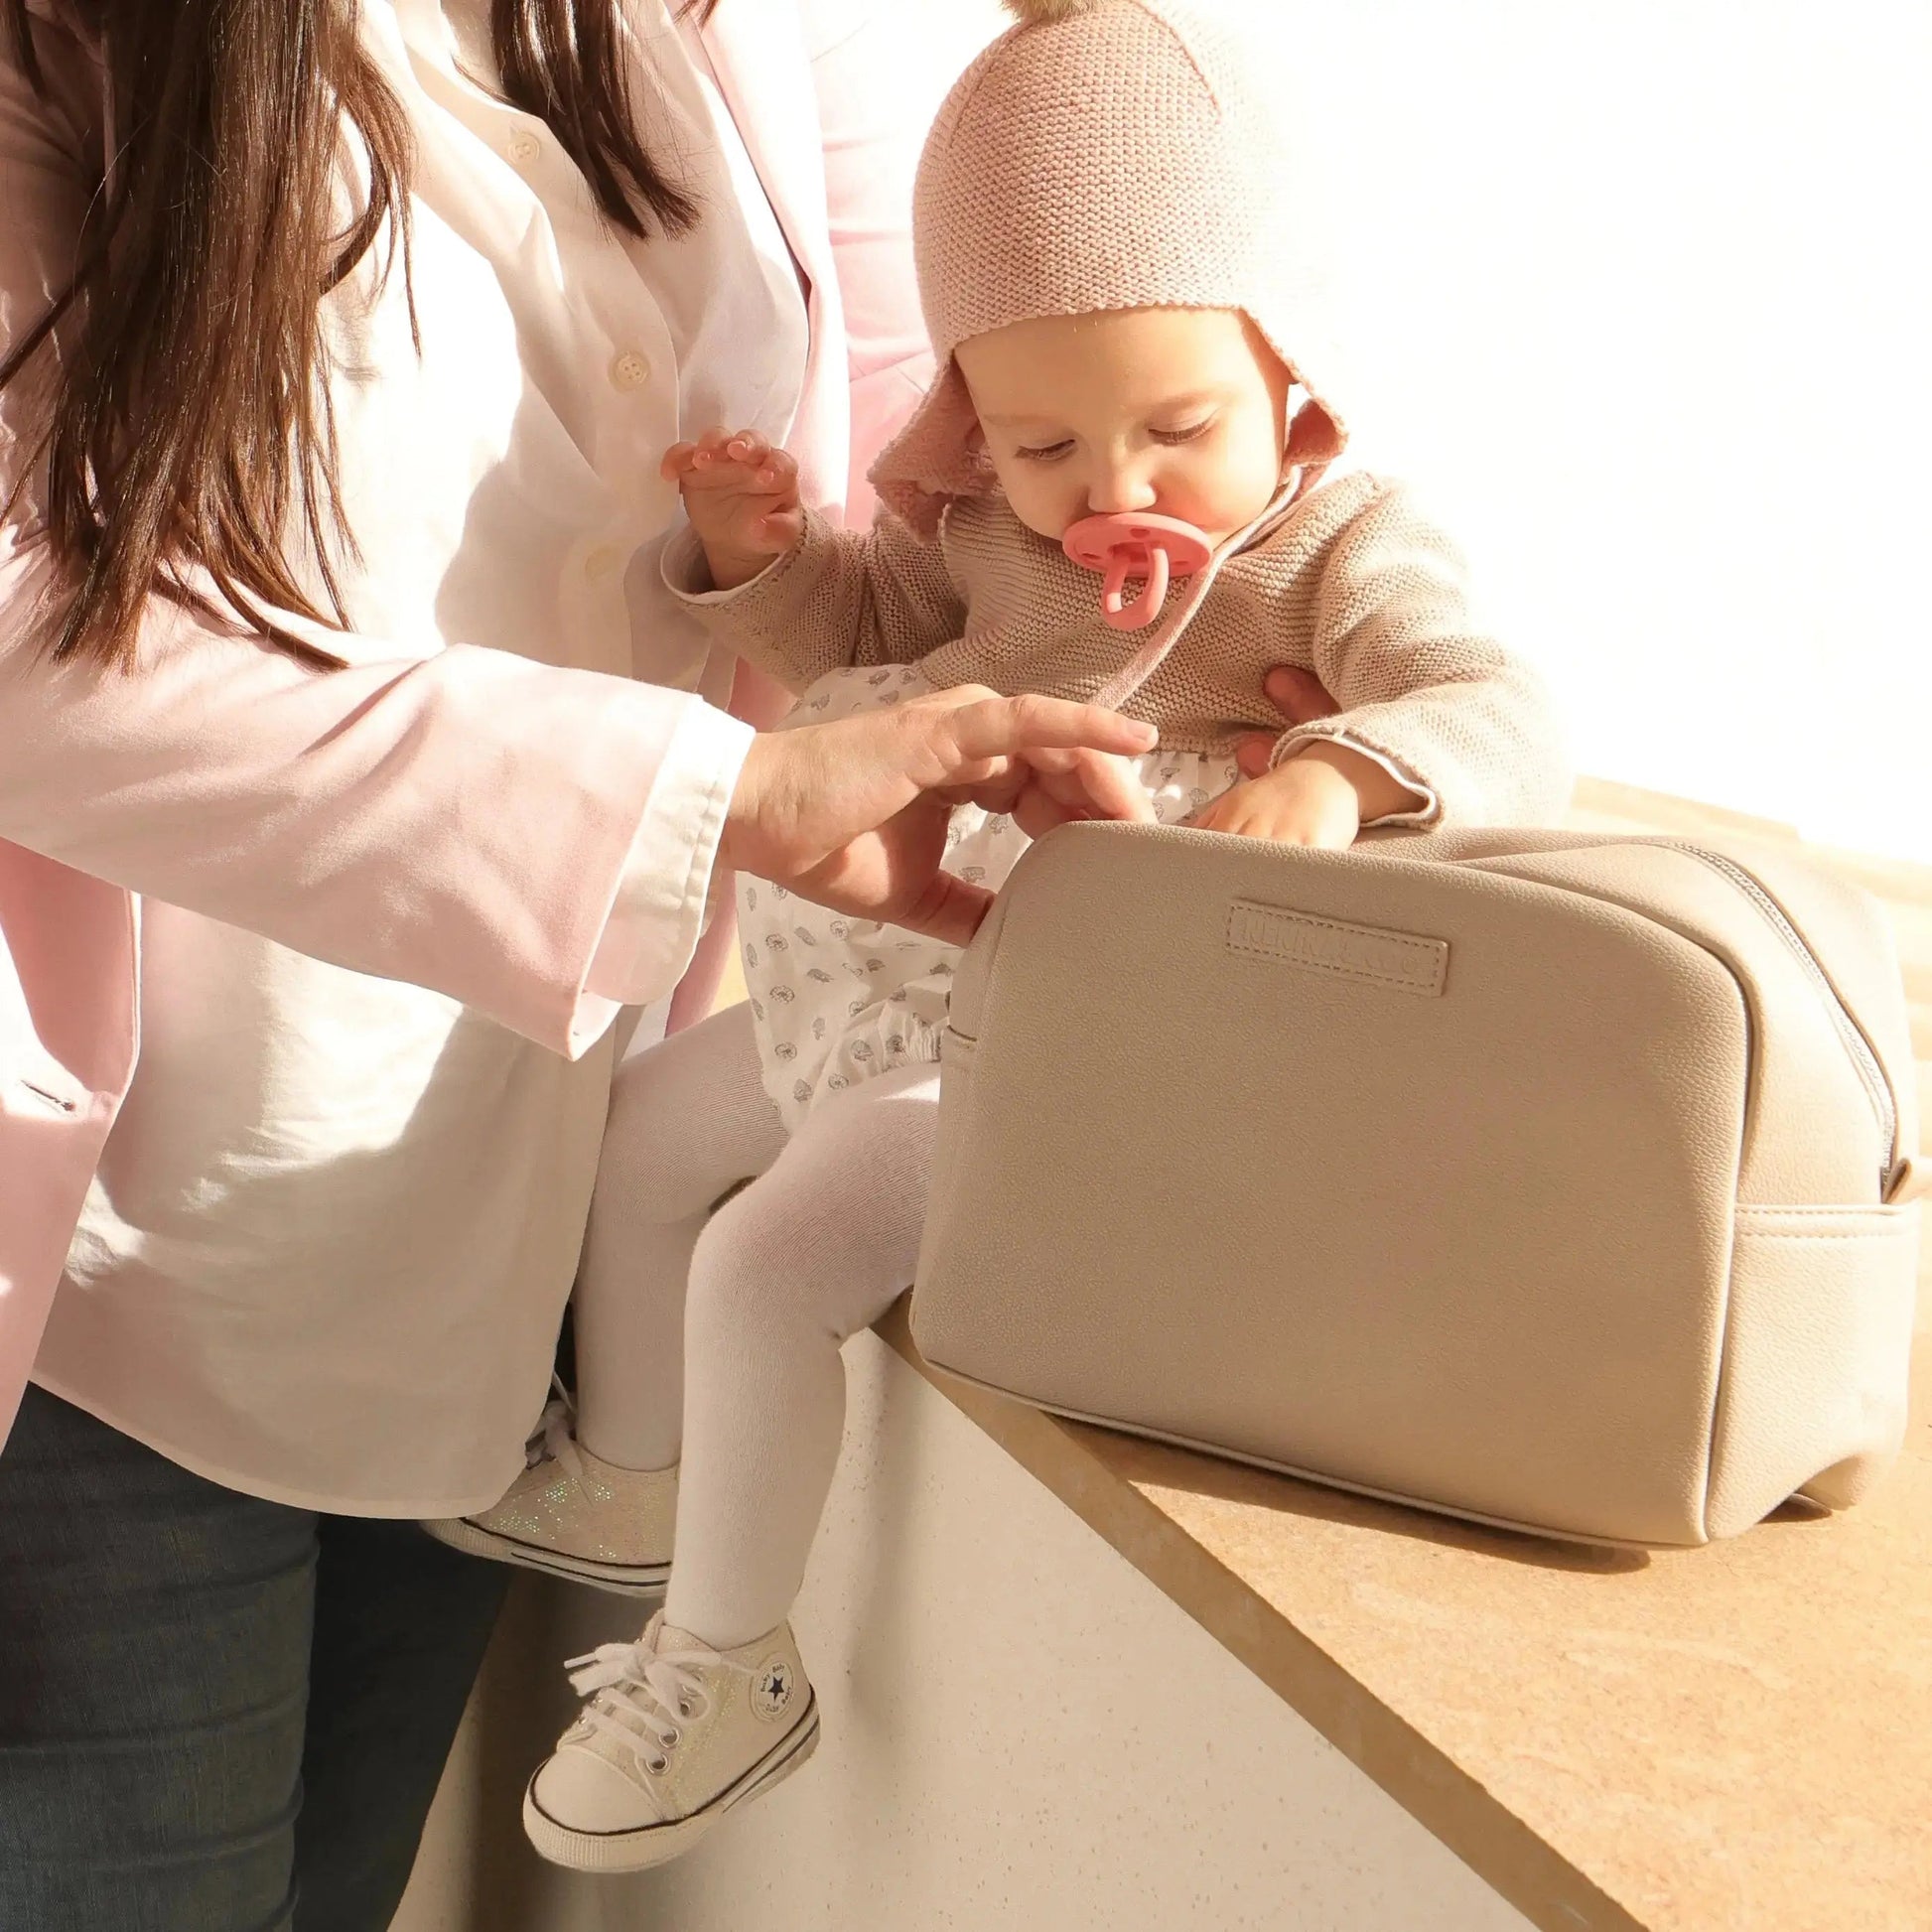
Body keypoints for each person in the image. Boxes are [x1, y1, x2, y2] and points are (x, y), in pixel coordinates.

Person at [0, 3, 1174, 1926]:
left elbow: (988, 463)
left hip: (494, 1265)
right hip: (103, 1298)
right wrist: (727, 799)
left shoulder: (741, 43)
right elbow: (24, 634)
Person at [431, 0, 1570, 1877]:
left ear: (1289, 374)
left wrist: (1333, 777)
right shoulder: (987, 533)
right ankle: (632, 1480)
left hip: (1081, 1043)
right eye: (1042, 438)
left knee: (769, 1259)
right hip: (894, 976)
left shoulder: (1332, 546)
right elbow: (857, 638)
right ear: (971, 413)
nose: (1112, 490)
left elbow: (1499, 706)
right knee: (644, 1138)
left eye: (1179, 427)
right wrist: (757, 554)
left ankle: (727, 1654)